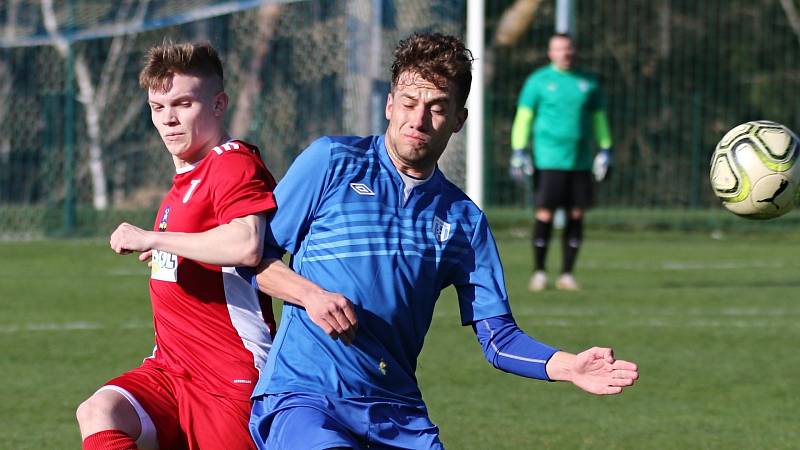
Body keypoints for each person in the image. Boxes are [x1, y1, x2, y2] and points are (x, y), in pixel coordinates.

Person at [248, 32, 638, 449]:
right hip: (307, 397)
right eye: (409, 103)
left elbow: (499, 339)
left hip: (397, 412)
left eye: (436, 108)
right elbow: (254, 259)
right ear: (389, 104)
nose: (418, 120)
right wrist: (309, 294)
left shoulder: (464, 220)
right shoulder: (331, 162)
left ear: (458, 120)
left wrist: (568, 367)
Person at [75, 42, 277, 450]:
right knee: (98, 412)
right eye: (157, 107)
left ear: (219, 104)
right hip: (169, 368)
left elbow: (247, 243)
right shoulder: (186, 178)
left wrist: (153, 238)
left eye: (183, 103)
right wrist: (170, 250)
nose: (168, 119)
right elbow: (204, 246)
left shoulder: (232, 163)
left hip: (229, 374)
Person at [509, 33, 614, 292]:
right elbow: (524, 117)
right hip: (549, 160)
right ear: (550, 53)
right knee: (544, 212)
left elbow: (599, 119)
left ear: (574, 50)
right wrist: (519, 150)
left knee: (576, 214)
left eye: (568, 48)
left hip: (580, 161)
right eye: (559, 49)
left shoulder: (588, 82)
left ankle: (567, 274)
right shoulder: (538, 81)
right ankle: (539, 272)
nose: (564, 53)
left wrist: (606, 148)